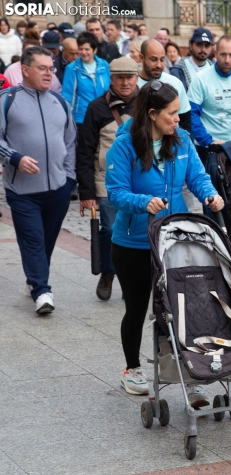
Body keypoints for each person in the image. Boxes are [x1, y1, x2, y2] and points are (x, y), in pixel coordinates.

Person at [105, 80, 224, 401]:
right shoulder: (125, 145)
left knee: (177, 309)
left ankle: (187, 373)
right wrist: (143, 202)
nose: (178, 119)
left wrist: (210, 194)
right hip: (134, 243)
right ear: (153, 114)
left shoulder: (182, 140)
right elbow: (115, 193)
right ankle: (132, 369)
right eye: (172, 114)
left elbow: (197, 177)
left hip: (174, 239)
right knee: (137, 307)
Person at [0, 46, 77, 313]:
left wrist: (69, 179)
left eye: (51, 68)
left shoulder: (60, 102)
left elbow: (71, 142)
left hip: (58, 188)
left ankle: (34, 278)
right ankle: (42, 291)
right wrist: (14, 158)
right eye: (42, 68)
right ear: (25, 70)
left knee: (46, 241)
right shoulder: (7, 99)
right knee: (33, 238)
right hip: (21, 191)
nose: (49, 73)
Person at [76, 57, 140, 302]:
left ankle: (129, 277)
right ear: (111, 79)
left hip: (139, 181)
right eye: (120, 77)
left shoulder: (147, 105)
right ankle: (108, 271)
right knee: (111, 230)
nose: (125, 82)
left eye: (130, 77)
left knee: (136, 231)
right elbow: (85, 151)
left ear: (136, 78)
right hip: (107, 181)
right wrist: (87, 193)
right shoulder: (96, 108)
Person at [189, 35, 231, 149]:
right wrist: (208, 141)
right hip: (207, 147)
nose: (227, 60)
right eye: (223, 54)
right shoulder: (200, 78)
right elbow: (191, 115)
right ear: (215, 53)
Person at [138, 39, 191, 133]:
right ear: (142, 58)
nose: (158, 65)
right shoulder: (131, 85)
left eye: (162, 59)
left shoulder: (175, 83)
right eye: (153, 59)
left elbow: (185, 121)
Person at [62, 32, 110, 126]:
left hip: (103, 116)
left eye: (87, 49)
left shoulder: (105, 65)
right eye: (80, 49)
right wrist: (67, 118)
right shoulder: (72, 68)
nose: (83, 52)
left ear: (95, 50)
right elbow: (67, 95)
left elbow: (111, 89)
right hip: (81, 119)